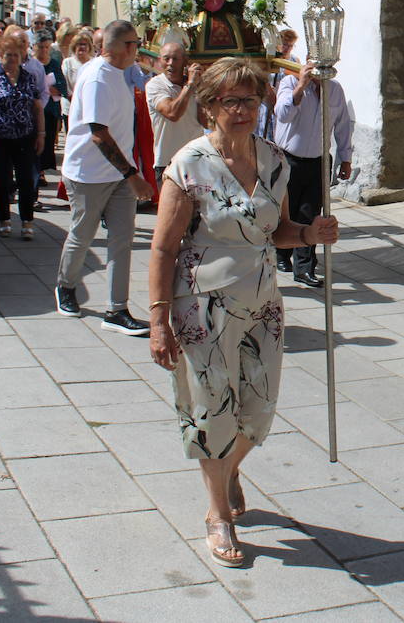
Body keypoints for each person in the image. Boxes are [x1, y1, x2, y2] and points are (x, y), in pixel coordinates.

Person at [148, 56, 338, 568]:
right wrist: (158, 319)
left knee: (259, 411)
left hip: (263, 307)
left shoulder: (275, 161)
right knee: (213, 413)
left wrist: (309, 234)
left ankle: (229, 467)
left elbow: (277, 232)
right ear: (208, 107)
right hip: (202, 310)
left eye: (250, 99)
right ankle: (218, 515)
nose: (242, 109)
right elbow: (163, 249)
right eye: (230, 101)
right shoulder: (189, 164)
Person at [55, 19, 154, 335]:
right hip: (89, 175)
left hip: (120, 175)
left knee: (121, 241)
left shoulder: (120, 74)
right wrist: (133, 174)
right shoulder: (98, 77)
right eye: (135, 43)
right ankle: (66, 286)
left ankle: (117, 309)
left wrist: (129, 173)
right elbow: (98, 134)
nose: (138, 49)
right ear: (124, 47)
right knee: (83, 233)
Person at [273, 62, 353, 286]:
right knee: (286, 211)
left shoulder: (335, 89)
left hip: (318, 160)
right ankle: (281, 254)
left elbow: (342, 125)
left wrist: (345, 158)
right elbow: (282, 114)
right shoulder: (290, 83)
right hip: (288, 158)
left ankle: (304, 268)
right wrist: (301, 85)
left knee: (310, 213)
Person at [0, 31, 44, 239]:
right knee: (1, 181)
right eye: (8, 55)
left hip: (24, 137)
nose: (12, 59)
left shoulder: (28, 78)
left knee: (26, 181)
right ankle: (4, 219)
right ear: (1, 55)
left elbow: (37, 108)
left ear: (22, 56)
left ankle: (27, 221)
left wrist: (41, 134)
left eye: (16, 55)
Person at [146, 42, 205, 188]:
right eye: (166, 59)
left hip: (196, 160)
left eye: (176, 59)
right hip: (168, 162)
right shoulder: (155, 85)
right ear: (160, 60)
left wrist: (202, 90)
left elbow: (206, 121)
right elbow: (172, 113)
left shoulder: (194, 85)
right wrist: (190, 85)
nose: (170, 63)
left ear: (185, 61)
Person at [32, 28, 68, 193]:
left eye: (47, 47)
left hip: (50, 109)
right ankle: (35, 171)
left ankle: (42, 171)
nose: (44, 50)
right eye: (41, 47)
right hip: (33, 110)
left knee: (47, 144)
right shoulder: (30, 64)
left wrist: (53, 88)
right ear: (34, 47)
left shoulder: (53, 64)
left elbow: (61, 86)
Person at [257, 28, 300, 139]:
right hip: (268, 102)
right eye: (285, 44)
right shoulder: (270, 59)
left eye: (291, 45)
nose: (287, 48)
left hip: (284, 102)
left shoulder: (295, 61)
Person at [61, 28, 94, 128]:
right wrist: (74, 99)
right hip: (70, 106)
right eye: (79, 44)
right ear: (74, 46)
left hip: (89, 107)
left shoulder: (94, 63)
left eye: (85, 44)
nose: (82, 47)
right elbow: (64, 83)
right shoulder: (68, 62)